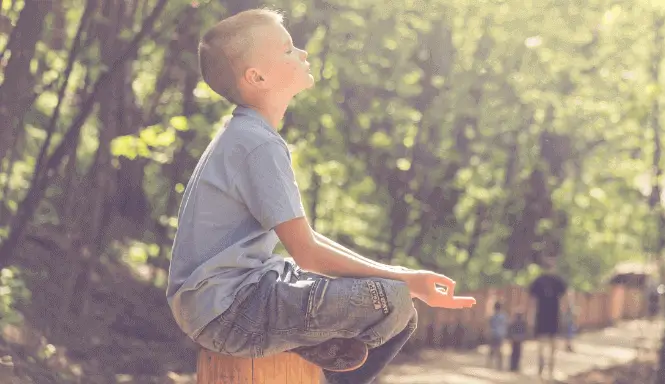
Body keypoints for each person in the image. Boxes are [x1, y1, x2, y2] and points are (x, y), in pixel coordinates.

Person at [165, 9, 476, 384]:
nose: (303, 53)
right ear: (256, 76)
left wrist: (406, 277)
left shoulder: (248, 135)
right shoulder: (255, 144)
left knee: (400, 306)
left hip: (234, 299)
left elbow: (305, 241)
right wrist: (407, 280)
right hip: (230, 312)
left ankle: (315, 356)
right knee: (391, 301)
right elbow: (308, 253)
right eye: (287, 49)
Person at [529, 260, 567, 378]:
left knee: (542, 344)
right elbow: (563, 300)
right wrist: (564, 316)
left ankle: (542, 370)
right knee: (552, 345)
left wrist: (530, 317)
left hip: (542, 316)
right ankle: (549, 370)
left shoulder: (538, 281)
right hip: (553, 316)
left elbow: (532, 302)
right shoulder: (558, 281)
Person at [487, 302, 508, 370]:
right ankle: (499, 365)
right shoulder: (503, 316)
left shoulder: (493, 316)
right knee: (498, 349)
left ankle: (490, 364)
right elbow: (505, 325)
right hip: (500, 334)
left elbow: (489, 325)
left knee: (492, 349)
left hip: (494, 334)